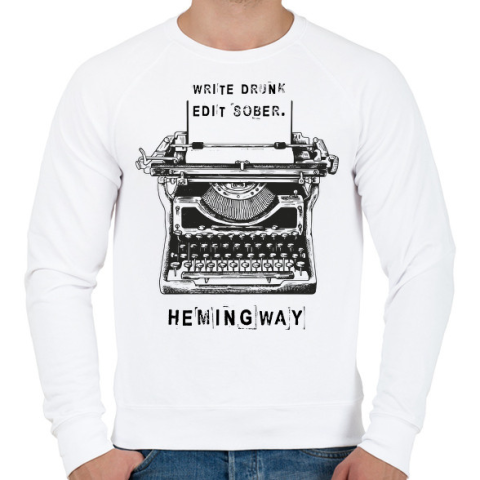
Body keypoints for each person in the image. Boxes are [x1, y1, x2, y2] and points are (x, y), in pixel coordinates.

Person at [25, 1, 455, 479]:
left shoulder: (366, 78)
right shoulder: (106, 80)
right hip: (153, 447)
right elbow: (59, 268)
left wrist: (392, 440)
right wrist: (80, 441)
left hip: (326, 447)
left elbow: (423, 260)